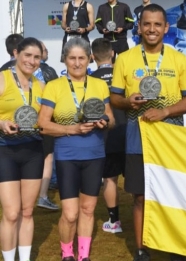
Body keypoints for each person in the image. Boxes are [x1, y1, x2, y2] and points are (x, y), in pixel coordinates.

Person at [110, 4, 186, 261]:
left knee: (176, 192)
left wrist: (165, 112)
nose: (151, 29)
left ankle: (175, 248)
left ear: (166, 28)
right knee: (140, 195)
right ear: (139, 27)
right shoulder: (125, 59)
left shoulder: (178, 59)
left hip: (172, 137)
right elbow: (114, 98)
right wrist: (129, 102)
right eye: (146, 24)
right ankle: (141, 248)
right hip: (138, 136)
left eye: (157, 24)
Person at [37, 37, 115, 261]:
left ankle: (83, 256)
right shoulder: (54, 86)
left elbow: (110, 118)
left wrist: (104, 121)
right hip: (67, 156)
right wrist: (72, 128)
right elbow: (43, 124)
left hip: (95, 154)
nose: (77, 63)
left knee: (88, 210)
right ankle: (66, 254)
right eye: (72, 58)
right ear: (64, 59)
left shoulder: (99, 85)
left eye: (82, 58)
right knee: (70, 214)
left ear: (90, 58)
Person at [0, 37, 46, 261]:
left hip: (33, 151)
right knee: (10, 213)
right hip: (5, 150)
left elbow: (46, 119)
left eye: (37, 57)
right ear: (16, 53)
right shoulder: (2, 79)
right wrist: (1, 123)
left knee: (27, 212)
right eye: (28, 55)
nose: (32, 61)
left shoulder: (41, 86)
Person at [89, 38, 126, 234]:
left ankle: (114, 222)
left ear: (92, 57)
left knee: (109, 179)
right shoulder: (124, 75)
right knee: (140, 179)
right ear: (112, 53)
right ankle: (145, 218)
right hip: (131, 132)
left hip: (106, 136)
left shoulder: (90, 80)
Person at [36, 40, 60, 211]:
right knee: (47, 157)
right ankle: (43, 194)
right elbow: (57, 94)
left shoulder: (5, 68)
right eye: (44, 50)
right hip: (44, 122)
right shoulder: (49, 71)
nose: (46, 52)